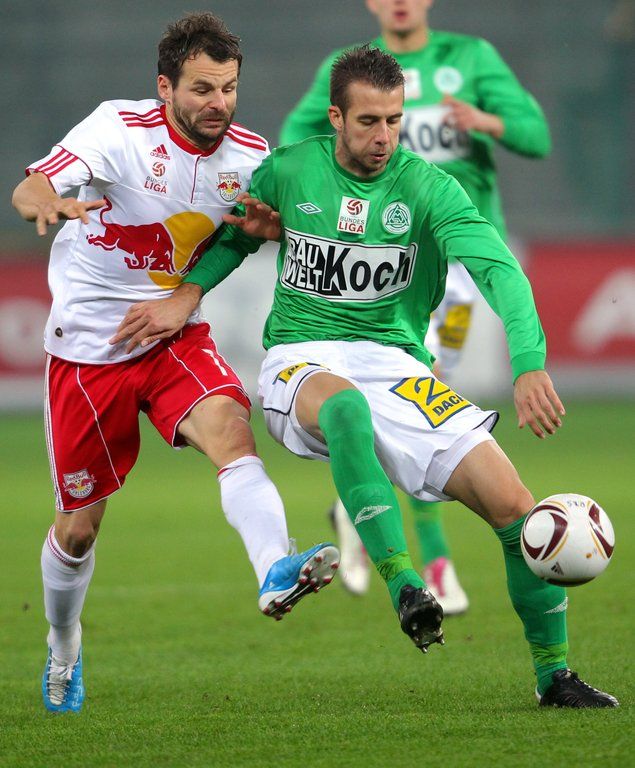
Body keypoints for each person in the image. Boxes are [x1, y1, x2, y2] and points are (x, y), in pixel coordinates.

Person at [112, 44, 619, 709]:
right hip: (302, 357)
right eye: (368, 121)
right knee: (345, 409)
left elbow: (498, 271)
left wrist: (527, 364)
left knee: (517, 511)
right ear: (335, 118)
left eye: (394, 120)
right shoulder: (290, 170)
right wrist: (187, 294)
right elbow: (234, 236)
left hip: (397, 365)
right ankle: (404, 583)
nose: (384, 137)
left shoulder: (429, 188)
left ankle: (554, 676)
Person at [11, 12, 340, 715]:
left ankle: (274, 569)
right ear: (165, 88)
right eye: (202, 88)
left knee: (230, 430)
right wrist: (46, 202)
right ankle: (63, 644)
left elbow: (250, 234)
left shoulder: (250, 157)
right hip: (88, 354)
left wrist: (269, 232)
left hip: (173, 339)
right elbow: (32, 186)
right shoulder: (118, 129)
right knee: (78, 530)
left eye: (229, 88)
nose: (219, 102)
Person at [279, 0, 552, 612]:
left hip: (455, 266)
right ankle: (433, 559)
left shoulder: (470, 58)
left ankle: (366, 510)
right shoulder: (352, 70)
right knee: (420, 394)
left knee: (427, 399)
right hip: (389, 257)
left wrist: (485, 121)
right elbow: (293, 139)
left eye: (394, 121)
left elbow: (537, 136)